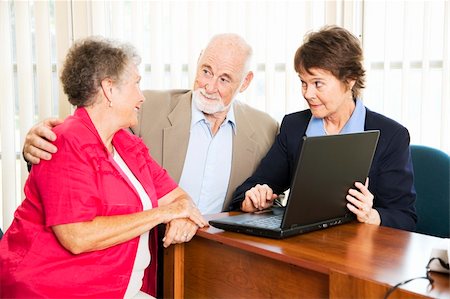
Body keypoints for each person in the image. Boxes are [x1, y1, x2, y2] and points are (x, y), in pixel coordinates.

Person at [0, 37, 208, 298]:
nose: (142, 97)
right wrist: (164, 213)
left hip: (119, 288)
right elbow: (76, 236)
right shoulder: (65, 141)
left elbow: (178, 197)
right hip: (50, 289)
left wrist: (181, 215)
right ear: (109, 88)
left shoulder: (127, 143)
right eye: (136, 84)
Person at [230, 26, 417, 231]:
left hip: (361, 251)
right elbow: (254, 185)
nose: (308, 94)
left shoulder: (391, 136)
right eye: (303, 83)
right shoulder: (294, 127)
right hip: (306, 244)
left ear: (349, 80)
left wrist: (372, 215)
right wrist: (252, 199)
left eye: (318, 84)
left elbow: (405, 218)